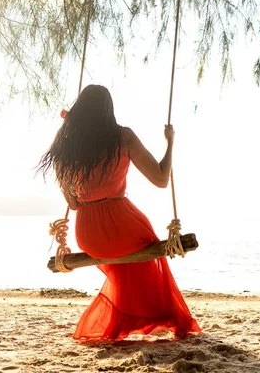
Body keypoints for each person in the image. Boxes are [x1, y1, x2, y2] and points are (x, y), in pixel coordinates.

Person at [37, 84, 201, 340]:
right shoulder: (122, 137)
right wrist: (170, 144)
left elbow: (73, 204)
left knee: (125, 264)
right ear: (108, 110)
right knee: (146, 248)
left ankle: (122, 320)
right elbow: (160, 179)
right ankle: (156, 315)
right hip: (123, 224)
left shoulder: (66, 146)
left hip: (88, 235)